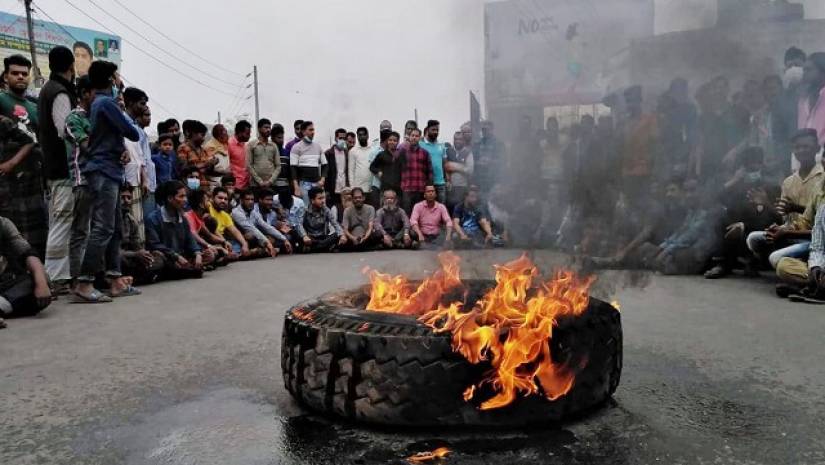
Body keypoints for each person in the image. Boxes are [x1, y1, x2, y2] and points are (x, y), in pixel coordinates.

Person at [73, 60, 141, 303]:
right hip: (103, 171)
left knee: (114, 228)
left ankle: (115, 279)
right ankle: (84, 282)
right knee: (102, 228)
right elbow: (133, 131)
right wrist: (121, 97)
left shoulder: (101, 104)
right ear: (111, 79)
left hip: (109, 169)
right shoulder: (106, 103)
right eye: (117, 77)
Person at [747, 129, 823, 271]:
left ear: (817, 149)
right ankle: (795, 260)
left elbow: (820, 216)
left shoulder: (822, 177)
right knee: (753, 238)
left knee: (775, 258)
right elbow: (784, 218)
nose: (801, 151)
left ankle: (810, 268)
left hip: (813, 238)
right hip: (791, 233)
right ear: (793, 151)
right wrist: (766, 204)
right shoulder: (788, 182)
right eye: (797, 147)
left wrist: (796, 208)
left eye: (806, 146)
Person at [705, 147, 782, 279]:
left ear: (761, 164)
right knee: (718, 216)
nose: (753, 169)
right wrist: (734, 181)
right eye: (749, 167)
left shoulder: (770, 184)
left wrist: (744, 224)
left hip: (763, 224)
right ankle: (723, 263)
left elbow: (776, 215)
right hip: (737, 223)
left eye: (756, 164)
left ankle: (753, 261)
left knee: (761, 216)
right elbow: (714, 199)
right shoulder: (738, 184)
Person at [38, 46, 77, 291]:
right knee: (62, 220)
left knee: (60, 219)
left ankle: (58, 274)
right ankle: (55, 277)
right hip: (62, 169)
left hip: (54, 168)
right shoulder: (60, 92)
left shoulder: (47, 90)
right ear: (71, 66)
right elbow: (67, 130)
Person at [64, 75, 94, 294]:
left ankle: (90, 277)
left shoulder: (96, 116)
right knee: (81, 232)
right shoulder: (74, 117)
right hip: (82, 179)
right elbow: (87, 146)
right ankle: (77, 279)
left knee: (95, 231)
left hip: (99, 180)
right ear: (85, 93)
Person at [145, 180, 206, 281]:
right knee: (158, 260)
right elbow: (155, 245)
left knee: (209, 254)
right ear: (170, 198)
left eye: (185, 196)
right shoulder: (153, 219)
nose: (185, 200)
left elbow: (190, 239)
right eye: (181, 196)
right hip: (168, 256)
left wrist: (197, 254)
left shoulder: (183, 218)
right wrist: (176, 256)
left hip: (182, 256)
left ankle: (187, 268)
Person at [0, 214, 51, 319]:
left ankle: (3, 306)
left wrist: (41, 284)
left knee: (42, 278)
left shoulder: (3, 223)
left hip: (4, 287)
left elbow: (28, 253)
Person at [122, 87, 151, 250]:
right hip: (127, 181)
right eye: (141, 103)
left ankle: (142, 255)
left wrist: (144, 179)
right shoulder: (121, 121)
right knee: (130, 222)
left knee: (138, 221)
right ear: (131, 103)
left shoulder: (134, 126)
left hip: (137, 180)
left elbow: (140, 158)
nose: (144, 107)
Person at [620, 85, 658, 207]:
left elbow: (655, 144)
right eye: (628, 101)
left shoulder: (650, 120)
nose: (630, 105)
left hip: (645, 172)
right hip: (627, 173)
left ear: (639, 101)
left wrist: (650, 163)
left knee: (644, 206)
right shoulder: (623, 122)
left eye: (633, 101)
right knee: (629, 207)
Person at [118, 184, 163, 285]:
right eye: (122, 197)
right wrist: (136, 254)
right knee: (119, 259)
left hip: (130, 258)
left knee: (159, 258)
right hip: (116, 259)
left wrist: (147, 255)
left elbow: (137, 246)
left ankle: (134, 278)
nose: (126, 201)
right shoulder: (108, 221)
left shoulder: (131, 220)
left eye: (129, 198)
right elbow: (110, 252)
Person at [183, 188, 231, 265]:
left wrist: (224, 241)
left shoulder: (199, 218)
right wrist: (208, 246)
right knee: (211, 254)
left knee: (219, 250)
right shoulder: (189, 216)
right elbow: (193, 235)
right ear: (201, 205)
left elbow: (209, 235)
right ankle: (191, 264)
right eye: (207, 201)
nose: (209, 203)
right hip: (187, 249)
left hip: (197, 247)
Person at [290, 121, 328, 206]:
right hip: (304, 185)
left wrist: (322, 179)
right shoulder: (296, 147)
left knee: (321, 208)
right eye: (310, 130)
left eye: (313, 130)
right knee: (306, 210)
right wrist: (296, 187)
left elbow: (325, 165)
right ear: (303, 131)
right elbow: (293, 169)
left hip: (317, 184)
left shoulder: (318, 147)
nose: (313, 132)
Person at [231, 189, 278, 258]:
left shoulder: (253, 212)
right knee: (250, 235)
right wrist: (267, 243)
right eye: (247, 199)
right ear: (241, 201)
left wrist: (284, 239)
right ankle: (252, 252)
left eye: (252, 199)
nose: (250, 202)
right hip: (239, 239)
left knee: (271, 238)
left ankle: (258, 250)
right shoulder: (236, 212)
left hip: (254, 238)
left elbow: (266, 226)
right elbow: (251, 229)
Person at [209, 187, 253, 259]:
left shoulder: (225, 215)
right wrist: (224, 241)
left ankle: (234, 254)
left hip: (223, 240)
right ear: (213, 198)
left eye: (226, 199)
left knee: (244, 242)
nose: (223, 201)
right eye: (220, 198)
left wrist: (244, 244)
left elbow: (234, 231)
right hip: (211, 237)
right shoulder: (208, 207)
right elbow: (212, 230)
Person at [0, 54, 38, 136]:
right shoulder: (1, 99)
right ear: (6, 77)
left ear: (29, 78)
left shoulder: (35, 108)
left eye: (24, 74)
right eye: (15, 73)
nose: (20, 77)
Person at [300, 187, 345, 253]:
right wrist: (304, 236)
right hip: (311, 238)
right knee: (299, 236)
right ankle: (326, 247)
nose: (323, 201)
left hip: (323, 237)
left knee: (336, 235)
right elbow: (299, 224)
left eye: (323, 198)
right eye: (319, 198)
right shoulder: (305, 210)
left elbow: (335, 223)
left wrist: (342, 235)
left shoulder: (326, 209)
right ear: (312, 200)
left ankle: (315, 248)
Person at [399, 128, 433, 213]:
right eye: (412, 135)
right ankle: (407, 227)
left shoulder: (425, 153)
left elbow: (430, 171)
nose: (414, 137)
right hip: (406, 188)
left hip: (420, 188)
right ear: (409, 137)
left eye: (416, 136)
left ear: (420, 138)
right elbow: (397, 169)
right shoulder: (402, 152)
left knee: (419, 213)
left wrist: (428, 185)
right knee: (407, 212)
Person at [177, 119, 215, 189]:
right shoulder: (183, 148)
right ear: (192, 133)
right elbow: (183, 169)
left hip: (204, 187)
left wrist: (212, 164)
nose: (203, 138)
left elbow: (207, 171)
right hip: (191, 188)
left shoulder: (203, 150)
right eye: (202, 135)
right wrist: (204, 164)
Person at [245, 118, 280, 191]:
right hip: (255, 185)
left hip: (271, 185)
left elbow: (278, 166)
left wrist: (270, 181)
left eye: (269, 127)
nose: (268, 130)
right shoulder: (251, 145)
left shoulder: (273, 145)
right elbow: (249, 165)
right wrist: (260, 182)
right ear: (259, 129)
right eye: (266, 127)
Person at [798, 52, 825, 146]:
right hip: (804, 156)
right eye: (804, 70)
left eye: (808, 70)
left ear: (823, 72)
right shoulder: (803, 100)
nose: (804, 74)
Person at [255, 188, 293, 254]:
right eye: (267, 200)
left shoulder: (272, 212)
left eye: (271, 200)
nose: (270, 202)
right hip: (256, 235)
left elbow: (273, 226)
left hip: (270, 235)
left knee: (288, 236)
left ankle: (268, 249)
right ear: (260, 200)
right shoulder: (254, 210)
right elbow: (263, 227)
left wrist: (282, 226)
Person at [419, 120, 448, 204]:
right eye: (433, 130)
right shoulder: (420, 144)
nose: (435, 132)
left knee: (441, 208)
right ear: (427, 130)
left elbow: (444, 164)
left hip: (440, 183)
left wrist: (448, 180)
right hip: (427, 183)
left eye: (437, 130)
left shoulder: (441, 146)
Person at [445, 130, 474, 212]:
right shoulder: (448, 151)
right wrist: (448, 180)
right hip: (450, 187)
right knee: (450, 209)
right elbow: (446, 167)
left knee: (461, 209)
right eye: (456, 139)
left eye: (460, 139)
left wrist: (455, 166)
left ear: (464, 140)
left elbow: (470, 170)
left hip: (462, 186)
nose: (457, 141)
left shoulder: (468, 152)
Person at [475, 121, 505, 195]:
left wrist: (490, 161)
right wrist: (478, 162)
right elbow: (474, 160)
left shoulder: (499, 144)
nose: (484, 132)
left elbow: (503, 161)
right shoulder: (478, 144)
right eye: (483, 129)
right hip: (480, 179)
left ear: (492, 130)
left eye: (486, 129)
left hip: (493, 179)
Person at [370, 130, 402, 197]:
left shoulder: (401, 155)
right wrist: (378, 171)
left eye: (394, 140)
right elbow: (372, 167)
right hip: (385, 189)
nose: (392, 142)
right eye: (390, 140)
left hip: (398, 190)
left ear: (398, 142)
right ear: (387, 141)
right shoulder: (382, 154)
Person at [324, 128, 349, 208]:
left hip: (344, 188)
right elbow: (325, 172)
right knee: (333, 210)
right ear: (335, 138)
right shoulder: (328, 153)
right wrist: (326, 190)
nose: (342, 140)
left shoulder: (347, 153)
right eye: (340, 138)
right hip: (333, 188)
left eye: (344, 138)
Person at [204, 124, 232, 188]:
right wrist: (224, 172)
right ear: (219, 136)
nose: (227, 136)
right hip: (215, 181)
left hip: (225, 180)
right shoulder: (210, 146)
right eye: (225, 134)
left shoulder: (225, 144)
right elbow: (209, 169)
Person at [349, 127, 374, 196]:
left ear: (367, 135)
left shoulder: (373, 150)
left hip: (371, 188)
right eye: (360, 135)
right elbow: (351, 171)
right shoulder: (353, 151)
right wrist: (352, 188)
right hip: (358, 189)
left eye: (364, 134)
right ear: (357, 137)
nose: (362, 137)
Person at [229, 120, 252, 189]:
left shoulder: (245, 145)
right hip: (236, 185)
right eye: (247, 133)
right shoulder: (229, 144)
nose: (249, 136)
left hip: (246, 184)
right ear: (239, 132)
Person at [271, 123, 292, 196]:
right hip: (271, 187)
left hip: (285, 187)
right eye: (279, 138)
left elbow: (290, 173)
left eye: (282, 138)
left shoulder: (287, 153)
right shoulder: (268, 152)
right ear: (272, 138)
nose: (281, 140)